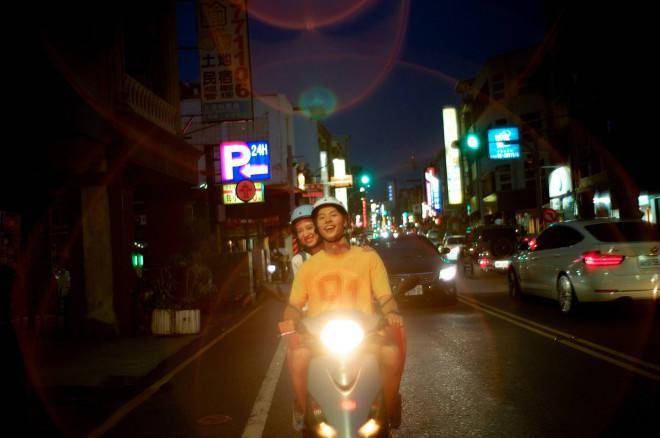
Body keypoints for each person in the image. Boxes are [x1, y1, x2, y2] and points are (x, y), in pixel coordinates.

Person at [279, 197, 405, 430]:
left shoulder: (368, 257)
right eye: (321, 217)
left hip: (365, 335)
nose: (327, 221)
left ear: (345, 220)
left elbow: (385, 297)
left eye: (333, 215)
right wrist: (289, 319)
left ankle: (388, 408)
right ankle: (303, 410)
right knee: (297, 357)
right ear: (317, 226)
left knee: (391, 352)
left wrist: (391, 312)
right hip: (319, 338)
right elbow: (294, 304)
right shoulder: (307, 267)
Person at [289, 204, 323, 276]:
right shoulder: (299, 260)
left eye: (309, 228)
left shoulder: (336, 253)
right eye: (300, 231)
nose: (305, 234)